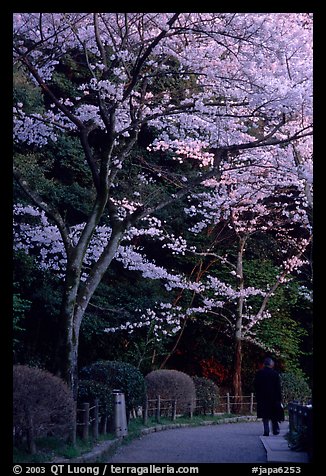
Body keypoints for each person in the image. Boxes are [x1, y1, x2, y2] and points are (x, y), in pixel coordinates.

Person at [254, 357, 283, 436]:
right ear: (271, 364)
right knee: (274, 414)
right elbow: (278, 388)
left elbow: (256, 385)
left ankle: (266, 430)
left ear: (264, 364)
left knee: (265, 415)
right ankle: (275, 429)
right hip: (273, 398)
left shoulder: (259, 373)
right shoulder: (275, 374)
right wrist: (279, 399)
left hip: (262, 398)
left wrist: (258, 395)